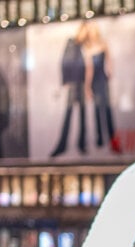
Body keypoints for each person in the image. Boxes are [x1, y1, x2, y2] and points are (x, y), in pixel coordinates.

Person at [80, 21, 121, 153]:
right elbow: (89, 69)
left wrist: (110, 71)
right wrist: (87, 87)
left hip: (103, 79)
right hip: (95, 81)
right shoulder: (87, 47)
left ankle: (112, 140)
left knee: (107, 110)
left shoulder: (103, 44)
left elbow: (109, 61)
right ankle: (100, 139)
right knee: (97, 110)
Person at [50, 25, 88, 157]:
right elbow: (64, 61)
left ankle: (82, 144)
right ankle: (63, 144)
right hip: (73, 83)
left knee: (82, 115)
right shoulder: (72, 43)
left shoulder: (85, 46)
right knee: (69, 113)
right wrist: (65, 80)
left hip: (82, 83)